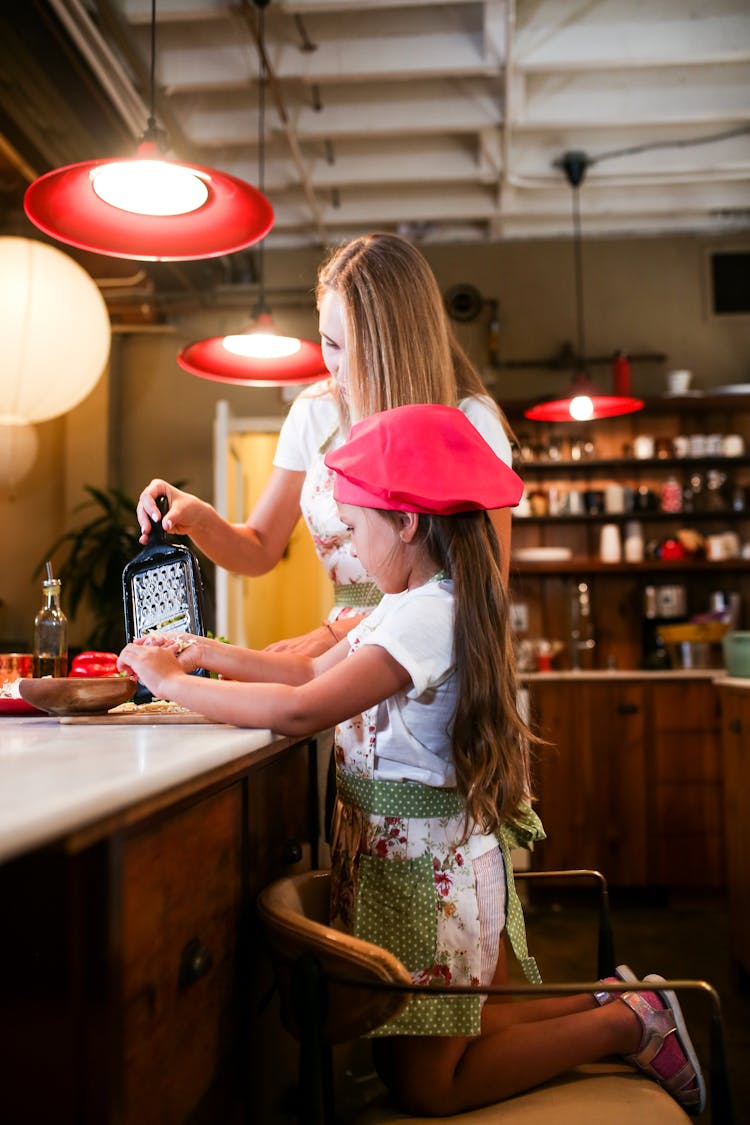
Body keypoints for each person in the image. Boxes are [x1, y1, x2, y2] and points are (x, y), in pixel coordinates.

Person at [119, 405, 704, 1118]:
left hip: (435, 878)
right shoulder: (405, 602)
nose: (353, 553)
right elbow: (307, 676)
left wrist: (175, 687)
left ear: (407, 523)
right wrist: (205, 654)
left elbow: (306, 710)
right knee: (451, 1033)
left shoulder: (428, 615)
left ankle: (630, 1022)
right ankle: (619, 1001)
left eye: (358, 529)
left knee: (428, 1082)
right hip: (412, 872)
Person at [136, 232, 515, 658]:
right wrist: (201, 519)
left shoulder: (470, 418)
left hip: (431, 652)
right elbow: (260, 548)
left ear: (402, 346)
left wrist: (332, 636)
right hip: (344, 651)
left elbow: (483, 592)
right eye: (331, 344)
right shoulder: (313, 412)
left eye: (365, 350)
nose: (342, 369)